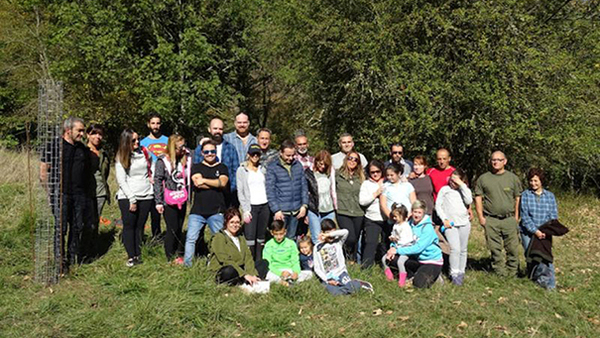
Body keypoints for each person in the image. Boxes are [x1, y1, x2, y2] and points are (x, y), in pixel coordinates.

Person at [40, 117, 92, 272]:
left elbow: (86, 173)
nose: (82, 134)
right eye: (80, 130)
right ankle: (60, 262)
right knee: (61, 228)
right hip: (60, 193)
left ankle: (73, 257)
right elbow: (43, 172)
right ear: (68, 130)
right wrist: (50, 194)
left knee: (77, 227)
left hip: (79, 195)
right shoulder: (54, 146)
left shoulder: (82, 149)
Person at [474, 151, 522, 277]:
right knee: (495, 249)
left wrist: (516, 217)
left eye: (499, 160)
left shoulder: (512, 178)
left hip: (509, 219)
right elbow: (478, 197)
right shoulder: (484, 178)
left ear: (505, 161)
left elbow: (518, 198)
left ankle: (513, 272)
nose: (496, 162)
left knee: (512, 248)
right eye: (493, 160)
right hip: (491, 220)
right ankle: (500, 272)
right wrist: (481, 218)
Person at [184, 140, 229, 267]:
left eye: (212, 151)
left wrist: (204, 180)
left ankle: (221, 263)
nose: (210, 154)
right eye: (207, 152)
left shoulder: (222, 167)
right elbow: (198, 183)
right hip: (197, 211)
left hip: (217, 211)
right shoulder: (196, 167)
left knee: (220, 239)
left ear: (216, 152)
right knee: (191, 239)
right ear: (202, 153)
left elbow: (223, 183)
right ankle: (188, 266)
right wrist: (216, 184)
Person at [115, 129, 154, 267]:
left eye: (138, 139)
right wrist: (132, 199)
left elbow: (151, 166)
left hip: (146, 195)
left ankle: (138, 254)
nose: (137, 142)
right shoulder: (121, 156)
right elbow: (122, 180)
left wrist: (152, 178)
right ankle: (131, 256)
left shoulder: (144, 152)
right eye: (133, 140)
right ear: (126, 142)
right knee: (129, 226)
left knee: (140, 226)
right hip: (128, 196)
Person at [385, 200, 443, 288]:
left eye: (419, 212)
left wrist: (397, 250)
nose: (416, 215)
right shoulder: (408, 224)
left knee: (419, 285)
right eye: (415, 212)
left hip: (431, 260)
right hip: (416, 258)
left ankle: (436, 276)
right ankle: (412, 274)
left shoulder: (427, 228)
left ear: (423, 213)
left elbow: (418, 248)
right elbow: (400, 238)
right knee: (391, 259)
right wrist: (392, 247)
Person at [208, 208, 269, 293]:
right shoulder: (219, 237)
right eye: (232, 222)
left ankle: (250, 281)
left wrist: (251, 273)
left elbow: (248, 257)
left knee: (263, 263)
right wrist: (244, 274)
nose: (235, 225)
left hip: (240, 268)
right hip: (225, 269)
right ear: (226, 222)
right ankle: (241, 283)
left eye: (237, 222)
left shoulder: (240, 237)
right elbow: (224, 259)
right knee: (229, 270)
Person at [153, 134, 191, 264]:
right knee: (172, 228)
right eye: (180, 147)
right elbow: (157, 181)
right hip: (168, 199)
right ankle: (170, 256)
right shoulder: (162, 161)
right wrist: (158, 202)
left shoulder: (185, 159)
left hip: (182, 197)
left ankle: (180, 254)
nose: (183, 149)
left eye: (184, 146)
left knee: (180, 227)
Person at [519, 168, 559, 289]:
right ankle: (534, 278)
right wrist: (535, 231)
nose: (533, 183)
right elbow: (524, 215)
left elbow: (553, 215)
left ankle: (549, 284)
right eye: (531, 181)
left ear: (541, 181)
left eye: (536, 181)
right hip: (528, 231)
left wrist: (546, 231)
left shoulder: (550, 196)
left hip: (545, 232)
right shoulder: (525, 195)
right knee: (532, 256)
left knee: (545, 257)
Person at [314, 219, 373, 295]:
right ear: (322, 233)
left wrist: (329, 234)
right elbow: (317, 267)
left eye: (333, 232)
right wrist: (326, 280)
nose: (331, 235)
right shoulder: (317, 247)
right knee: (332, 292)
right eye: (328, 232)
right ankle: (351, 288)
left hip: (341, 273)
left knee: (348, 286)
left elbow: (345, 232)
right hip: (328, 277)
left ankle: (357, 285)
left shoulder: (338, 242)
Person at [435, 168, 473, 285]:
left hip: (464, 223)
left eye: (455, 181)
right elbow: (438, 206)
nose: (453, 183)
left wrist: (461, 185)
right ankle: (454, 273)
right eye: (451, 180)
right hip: (450, 225)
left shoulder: (463, 190)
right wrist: (444, 219)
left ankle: (461, 272)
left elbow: (469, 200)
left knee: (463, 249)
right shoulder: (445, 190)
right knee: (455, 249)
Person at [266, 140, 308, 239]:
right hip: (282, 211)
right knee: (280, 238)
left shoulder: (298, 165)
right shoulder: (273, 167)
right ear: (281, 153)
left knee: (292, 237)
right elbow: (270, 190)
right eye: (287, 155)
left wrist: (304, 205)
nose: (290, 158)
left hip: (296, 210)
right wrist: (276, 210)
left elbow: (304, 186)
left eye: (293, 155)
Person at [193, 118, 240, 207]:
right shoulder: (200, 149)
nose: (218, 131)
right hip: (205, 196)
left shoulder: (230, 148)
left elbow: (235, 172)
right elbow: (196, 171)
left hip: (227, 195)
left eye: (220, 129)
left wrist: (229, 189)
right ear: (209, 129)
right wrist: (214, 188)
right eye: (215, 128)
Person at [236, 144, 269, 261]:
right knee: (250, 237)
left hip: (264, 206)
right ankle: (249, 263)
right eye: (253, 153)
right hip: (251, 208)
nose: (255, 156)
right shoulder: (242, 170)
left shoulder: (263, 169)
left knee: (261, 237)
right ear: (248, 155)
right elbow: (240, 191)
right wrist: (245, 210)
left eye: (258, 154)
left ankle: (259, 262)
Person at [140, 113, 169, 239]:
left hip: (166, 181)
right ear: (148, 124)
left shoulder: (167, 141)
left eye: (158, 123)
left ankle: (165, 237)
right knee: (151, 211)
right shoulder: (143, 143)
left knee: (165, 212)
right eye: (153, 123)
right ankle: (151, 237)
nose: (155, 126)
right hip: (149, 181)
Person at [335, 151, 365, 262]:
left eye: (355, 159)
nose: (352, 161)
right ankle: (343, 255)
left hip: (358, 212)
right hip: (343, 211)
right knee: (350, 237)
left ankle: (352, 261)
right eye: (350, 158)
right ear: (346, 160)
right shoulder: (337, 174)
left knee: (356, 238)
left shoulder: (361, 177)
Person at [263, 220, 313, 285]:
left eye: (281, 234)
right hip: (275, 271)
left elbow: (295, 260)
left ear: (285, 232)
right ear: (272, 233)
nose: (279, 237)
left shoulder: (291, 243)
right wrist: (280, 273)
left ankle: (287, 281)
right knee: (268, 275)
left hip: (289, 270)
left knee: (309, 274)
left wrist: (296, 272)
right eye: (276, 234)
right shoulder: (268, 245)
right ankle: (284, 282)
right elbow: (268, 263)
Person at [305, 150, 337, 244]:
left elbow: (333, 189)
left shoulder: (331, 172)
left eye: (325, 165)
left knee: (330, 236)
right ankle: (318, 257)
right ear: (316, 161)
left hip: (329, 209)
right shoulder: (308, 173)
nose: (323, 167)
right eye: (321, 163)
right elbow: (306, 192)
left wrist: (336, 207)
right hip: (314, 209)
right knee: (317, 237)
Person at [359, 160, 386, 268]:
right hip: (372, 218)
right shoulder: (366, 184)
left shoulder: (387, 182)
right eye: (372, 172)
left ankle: (387, 267)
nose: (375, 174)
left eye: (377, 171)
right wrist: (375, 194)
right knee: (370, 243)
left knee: (385, 244)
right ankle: (366, 267)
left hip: (387, 218)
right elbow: (362, 201)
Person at [382, 205, 414, 287]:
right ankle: (389, 277)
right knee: (383, 259)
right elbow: (393, 234)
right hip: (396, 247)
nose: (394, 218)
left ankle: (402, 280)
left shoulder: (406, 226)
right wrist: (392, 238)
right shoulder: (396, 225)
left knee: (400, 262)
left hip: (405, 248)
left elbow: (408, 240)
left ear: (402, 216)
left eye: (396, 217)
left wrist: (397, 240)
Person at [86, 123, 111, 224]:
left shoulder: (103, 153)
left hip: (100, 191)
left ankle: (94, 240)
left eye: (100, 134)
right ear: (88, 135)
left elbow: (106, 172)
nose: (97, 137)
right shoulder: (82, 150)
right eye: (94, 133)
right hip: (85, 191)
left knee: (95, 220)